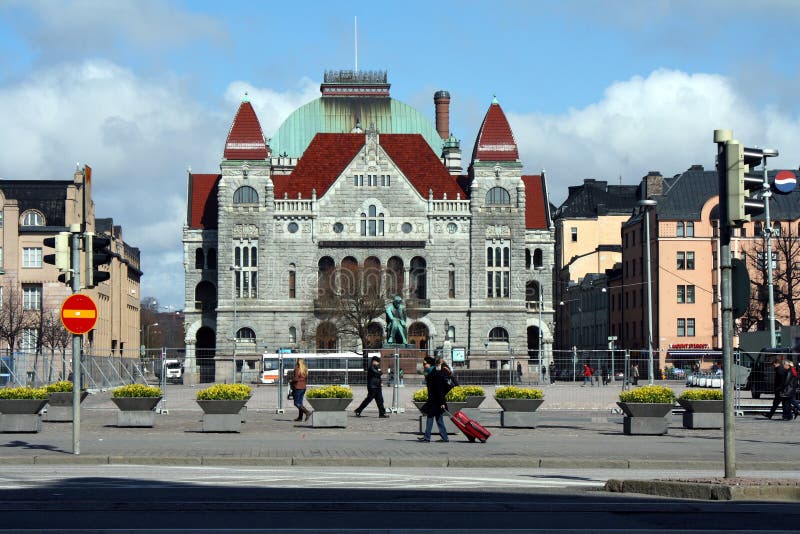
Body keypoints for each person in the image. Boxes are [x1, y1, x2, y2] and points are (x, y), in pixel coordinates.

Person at [418, 356, 449, 442]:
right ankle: (444, 437)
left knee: (430, 417)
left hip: (436, 400)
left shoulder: (435, 373)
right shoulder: (431, 372)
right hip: (435, 400)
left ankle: (427, 437)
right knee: (438, 419)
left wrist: (442, 402)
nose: (423, 365)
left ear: (430, 364)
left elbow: (440, 389)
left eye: (425, 364)